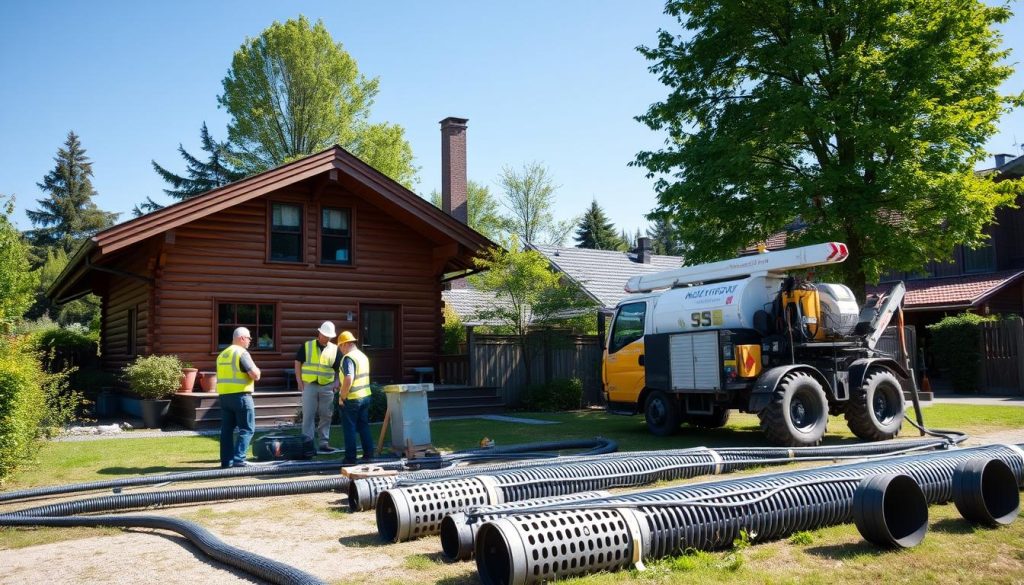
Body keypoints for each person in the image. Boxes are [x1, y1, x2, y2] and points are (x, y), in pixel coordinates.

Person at [216, 327, 261, 468]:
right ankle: (239, 459)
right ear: (242, 338)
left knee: (227, 430)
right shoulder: (241, 353)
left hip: (224, 397)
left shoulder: (222, 354)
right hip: (241, 396)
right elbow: (255, 375)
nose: (249, 341)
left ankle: (226, 461)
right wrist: (258, 371)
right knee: (247, 429)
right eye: (249, 338)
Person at [295, 321, 342, 453]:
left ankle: (323, 443)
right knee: (308, 416)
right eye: (325, 335)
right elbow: (298, 362)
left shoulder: (335, 349)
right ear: (319, 333)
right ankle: (307, 444)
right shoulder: (307, 346)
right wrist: (299, 381)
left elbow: (339, 368)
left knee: (326, 415)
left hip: (327, 386)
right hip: (309, 385)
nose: (327, 338)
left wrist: (337, 382)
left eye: (329, 336)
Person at [337, 330, 373, 464]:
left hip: (352, 399)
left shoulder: (348, 358)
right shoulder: (363, 356)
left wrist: (342, 396)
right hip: (365, 396)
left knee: (349, 428)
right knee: (364, 426)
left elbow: (348, 378)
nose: (340, 349)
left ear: (345, 344)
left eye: (340, 346)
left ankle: (350, 458)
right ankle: (369, 454)